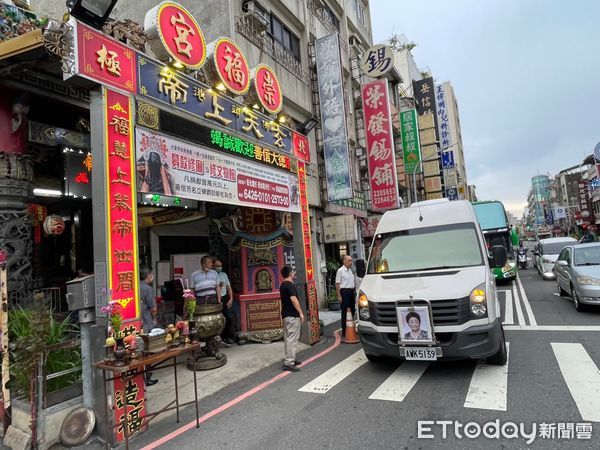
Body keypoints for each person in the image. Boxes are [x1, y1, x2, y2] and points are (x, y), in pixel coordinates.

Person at [279, 265, 304, 372]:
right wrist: (301, 313)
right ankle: (289, 362)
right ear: (290, 274)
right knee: (292, 338)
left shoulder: (283, 285)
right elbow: (293, 299)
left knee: (289, 338)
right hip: (292, 315)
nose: (294, 273)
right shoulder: (289, 285)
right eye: (293, 271)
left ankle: (291, 359)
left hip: (286, 315)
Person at [139, 267, 159, 386]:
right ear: (147, 275)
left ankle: (140, 376)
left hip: (136, 323)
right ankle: (147, 376)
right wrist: (154, 318)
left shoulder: (135, 286)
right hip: (146, 322)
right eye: (151, 274)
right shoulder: (147, 289)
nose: (152, 276)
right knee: (148, 350)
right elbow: (153, 308)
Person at [214, 259, 235, 345]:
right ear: (213, 266)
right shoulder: (212, 274)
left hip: (224, 297)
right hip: (214, 299)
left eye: (220, 266)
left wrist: (231, 298)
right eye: (218, 266)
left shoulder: (224, 275)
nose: (219, 267)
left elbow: (229, 287)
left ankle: (227, 336)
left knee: (229, 317)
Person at [336, 255, 357, 336]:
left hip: (351, 292)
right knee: (344, 312)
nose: (351, 262)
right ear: (344, 261)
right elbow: (337, 284)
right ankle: (344, 331)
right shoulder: (340, 271)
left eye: (351, 261)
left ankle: (350, 328)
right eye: (349, 260)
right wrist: (339, 296)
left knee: (352, 310)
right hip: (344, 292)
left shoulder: (350, 270)